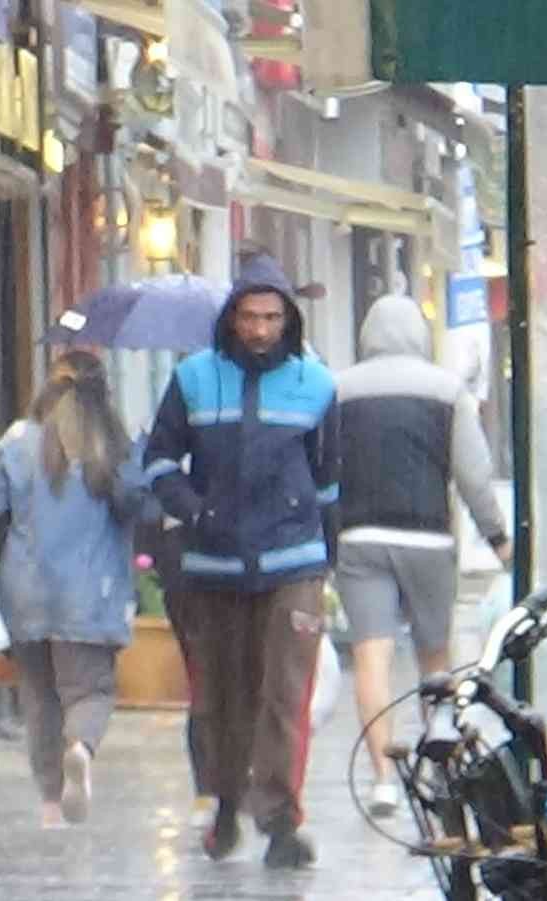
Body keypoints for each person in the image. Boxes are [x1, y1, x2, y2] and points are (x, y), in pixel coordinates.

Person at [143, 255, 339, 870]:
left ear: (289, 321)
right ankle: (224, 804)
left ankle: (281, 820)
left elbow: (331, 481)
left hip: (294, 562)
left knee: (285, 694)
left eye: (272, 318)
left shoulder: (318, 385)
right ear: (231, 319)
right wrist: (192, 509)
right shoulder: (194, 379)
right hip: (213, 566)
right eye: (250, 317)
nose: (259, 329)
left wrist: (329, 561)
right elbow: (158, 461)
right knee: (218, 698)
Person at [335, 293, 511, 816]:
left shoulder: (339, 391)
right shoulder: (447, 390)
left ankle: (383, 778)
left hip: (359, 538)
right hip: (429, 540)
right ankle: (437, 763)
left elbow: (323, 470)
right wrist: (497, 536)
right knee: (435, 656)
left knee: (372, 657)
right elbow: (473, 476)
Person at [0, 355, 146, 828]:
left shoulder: (15, 441)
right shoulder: (108, 446)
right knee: (89, 690)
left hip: (24, 593)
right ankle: (81, 748)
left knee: (37, 697)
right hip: (90, 595)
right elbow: (141, 504)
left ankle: (51, 803)